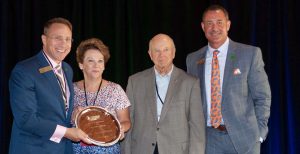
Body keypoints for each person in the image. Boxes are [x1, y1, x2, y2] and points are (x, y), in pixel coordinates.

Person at [186, 5, 271, 154]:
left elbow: (262, 97)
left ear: (228, 24)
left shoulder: (249, 54)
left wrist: (259, 133)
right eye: (209, 23)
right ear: (202, 26)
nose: (214, 27)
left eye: (219, 22)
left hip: (245, 139)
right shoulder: (193, 59)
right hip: (208, 139)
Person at [9, 17, 91, 154]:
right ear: (44, 39)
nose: (63, 44)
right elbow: (26, 118)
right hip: (33, 149)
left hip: (62, 149)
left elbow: (57, 109)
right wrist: (66, 132)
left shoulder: (67, 69)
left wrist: (74, 114)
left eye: (67, 39)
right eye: (57, 38)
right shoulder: (24, 70)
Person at [121, 33, 205, 154]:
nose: (162, 55)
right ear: (150, 54)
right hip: (142, 148)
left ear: (173, 52)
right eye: (157, 51)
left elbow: (197, 126)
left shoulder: (190, 83)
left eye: (166, 50)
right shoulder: (135, 81)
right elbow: (129, 120)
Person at [71, 38, 131, 154]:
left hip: (107, 151)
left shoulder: (115, 90)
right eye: (90, 61)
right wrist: (73, 116)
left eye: (100, 61)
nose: (96, 65)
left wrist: (120, 129)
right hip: (77, 150)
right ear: (81, 65)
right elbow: (59, 121)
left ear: (104, 65)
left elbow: (126, 121)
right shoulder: (70, 90)